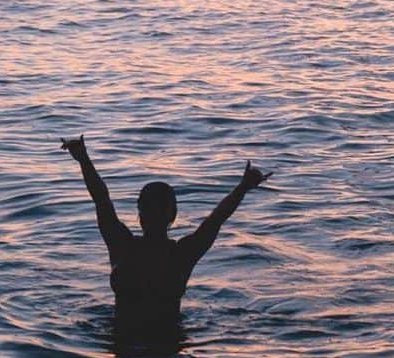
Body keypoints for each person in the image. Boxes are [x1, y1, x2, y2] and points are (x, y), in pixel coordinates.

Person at [60, 135, 272, 326]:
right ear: (173, 216)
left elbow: (101, 199)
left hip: (123, 342)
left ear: (139, 215)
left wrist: (84, 160)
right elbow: (216, 219)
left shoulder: (121, 245)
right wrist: (243, 187)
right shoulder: (183, 254)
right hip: (168, 344)